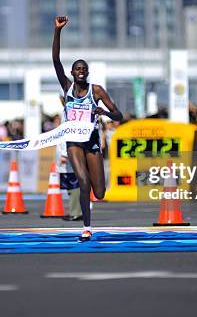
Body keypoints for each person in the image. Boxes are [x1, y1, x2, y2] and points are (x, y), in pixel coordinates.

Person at [52, 16, 123, 241]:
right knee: (82, 182)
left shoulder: (97, 91)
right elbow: (55, 59)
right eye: (77, 68)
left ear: (87, 72)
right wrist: (58, 32)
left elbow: (119, 115)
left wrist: (104, 112)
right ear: (72, 73)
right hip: (73, 142)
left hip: (91, 141)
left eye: (84, 68)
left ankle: (91, 200)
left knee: (99, 192)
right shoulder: (67, 87)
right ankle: (86, 227)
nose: (81, 71)